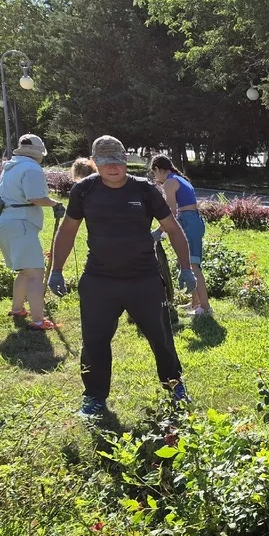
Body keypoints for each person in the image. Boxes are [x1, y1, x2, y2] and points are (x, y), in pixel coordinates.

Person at [47, 135, 197, 418]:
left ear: (125, 161)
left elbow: (173, 229)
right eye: (105, 162)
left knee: (161, 338)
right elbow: (67, 231)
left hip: (144, 279)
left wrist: (186, 267)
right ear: (95, 162)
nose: (112, 167)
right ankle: (93, 397)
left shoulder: (144, 190)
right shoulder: (83, 191)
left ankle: (175, 387)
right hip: (99, 280)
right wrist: (56, 270)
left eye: (117, 160)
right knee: (94, 342)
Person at [0, 134, 64, 330]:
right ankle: (39, 320)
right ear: (39, 153)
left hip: (3, 221)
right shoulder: (31, 168)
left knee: (24, 271)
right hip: (20, 222)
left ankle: (17, 309)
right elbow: (35, 197)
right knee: (34, 273)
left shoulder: (11, 165)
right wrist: (55, 203)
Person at [150, 155, 211, 316]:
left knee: (193, 266)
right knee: (188, 263)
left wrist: (159, 231)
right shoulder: (179, 178)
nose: (155, 177)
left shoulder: (170, 182)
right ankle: (195, 303)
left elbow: (170, 212)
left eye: (154, 173)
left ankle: (205, 308)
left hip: (189, 222)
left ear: (158, 169)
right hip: (192, 221)